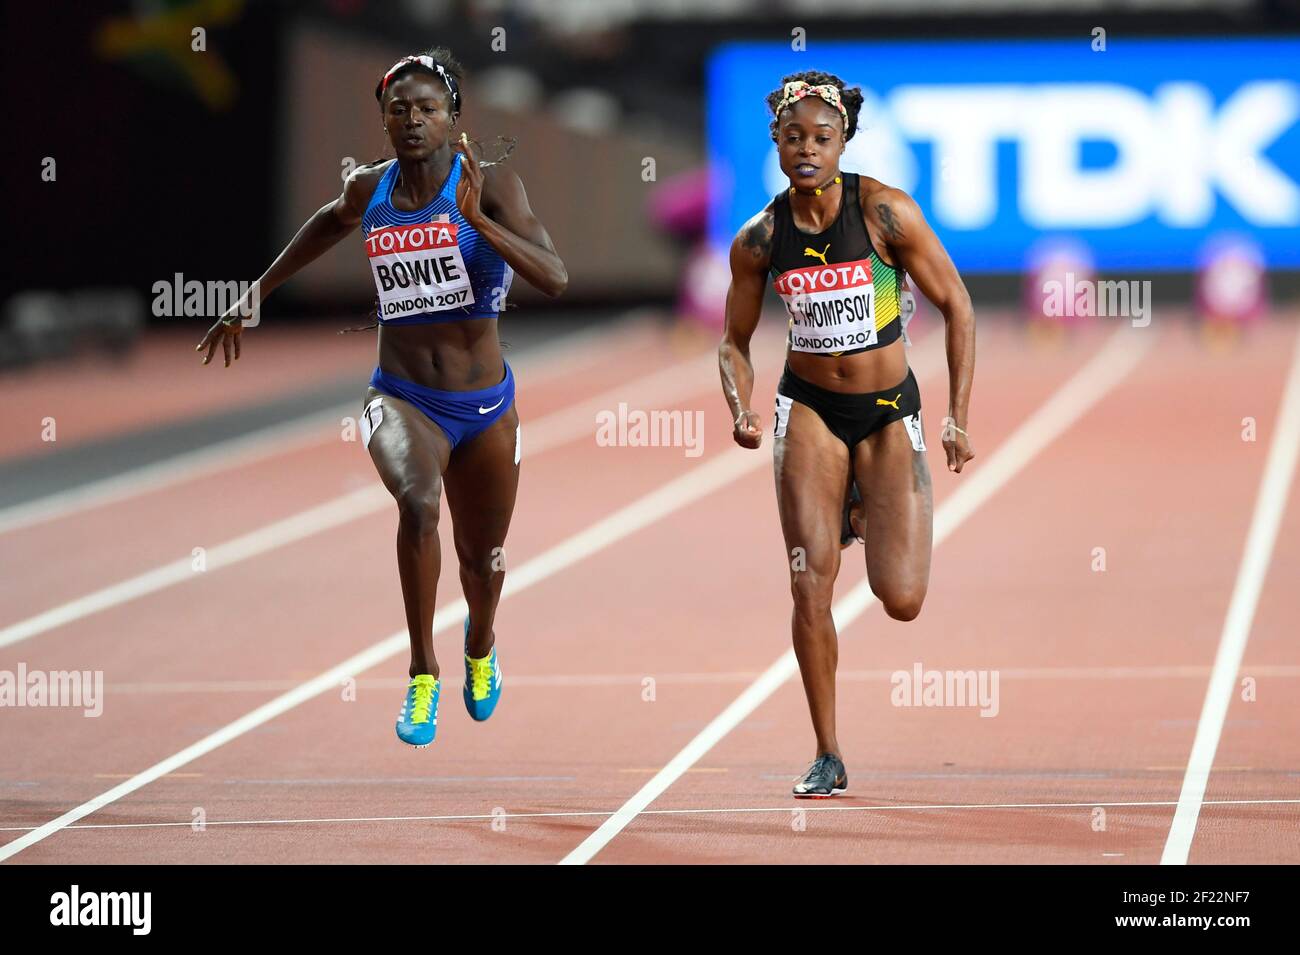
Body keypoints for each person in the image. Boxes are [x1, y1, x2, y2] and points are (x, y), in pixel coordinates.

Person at [196, 48, 567, 748]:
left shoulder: (491, 186)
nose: (412, 120)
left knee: (483, 562)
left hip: (485, 405)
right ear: (384, 121)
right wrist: (255, 294)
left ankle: (479, 644)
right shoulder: (370, 190)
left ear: (454, 117)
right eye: (399, 110)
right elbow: (325, 222)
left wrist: (481, 225)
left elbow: (555, 276)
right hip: (400, 394)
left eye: (427, 108)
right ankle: (422, 670)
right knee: (418, 503)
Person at [717, 71, 975, 796]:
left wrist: (958, 413)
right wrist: (740, 403)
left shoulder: (887, 213)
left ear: (843, 141)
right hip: (807, 410)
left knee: (902, 597)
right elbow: (733, 342)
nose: (806, 149)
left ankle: (860, 509)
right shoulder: (760, 238)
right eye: (793, 136)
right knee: (809, 584)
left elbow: (958, 305)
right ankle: (828, 751)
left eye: (821, 138)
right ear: (775, 140)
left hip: (889, 408)